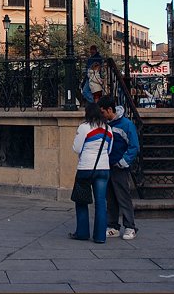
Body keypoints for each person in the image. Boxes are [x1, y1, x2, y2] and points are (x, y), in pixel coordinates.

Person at [98, 95, 140, 240]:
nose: (102, 115)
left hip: (119, 166)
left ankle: (130, 226)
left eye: (103, 112)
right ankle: (113, 226)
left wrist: (124, 161)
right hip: (107, 165)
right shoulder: (105, 124)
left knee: (123, 197)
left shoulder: (126, 125)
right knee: (110, 197)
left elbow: (134, 146)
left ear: (110, 110)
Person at [69, 102, 112, 244]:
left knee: (81, 200)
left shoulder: (84, 127)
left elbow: (76, 148)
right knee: (101, 203)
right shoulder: (108, 128)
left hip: (86, 168)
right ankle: (100, 236)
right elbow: (109, 149)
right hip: (104, 168)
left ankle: (82, 232)